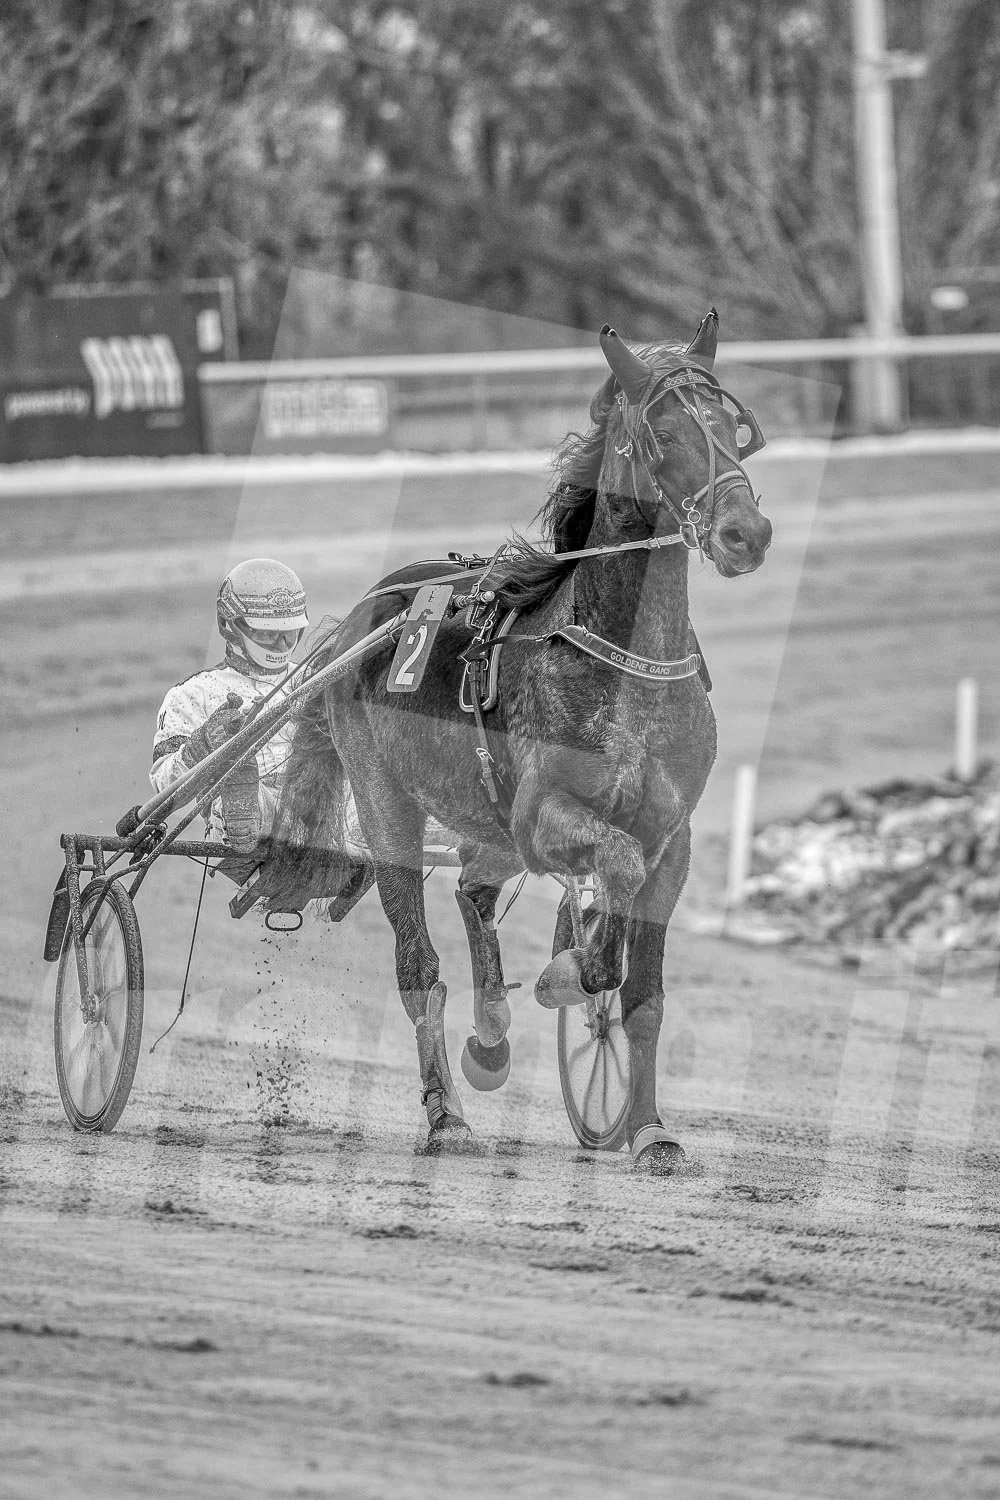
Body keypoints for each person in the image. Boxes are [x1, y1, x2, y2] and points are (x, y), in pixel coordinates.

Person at [150, 558, 308, 854]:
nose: (280, 645)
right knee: (241, 795)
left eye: (288, 632)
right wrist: (199, 747)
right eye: (266, 633)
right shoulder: (193, 693)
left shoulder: (315, 677)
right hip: (247, 811)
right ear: (229, 624)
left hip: (320, 796)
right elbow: (162, 784)